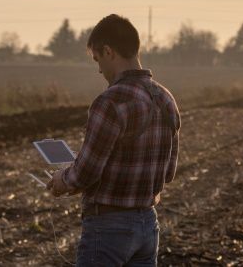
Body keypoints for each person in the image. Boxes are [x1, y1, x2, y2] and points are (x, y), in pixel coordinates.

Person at [46, 14, 181, 266]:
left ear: (108, 52)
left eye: (97, 59)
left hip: (108, 228)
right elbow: (169, 173)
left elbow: (85, 173)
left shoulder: (110, 101)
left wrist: (62, 180)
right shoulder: (166, 99)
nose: (99, 69)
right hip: (148, 225)